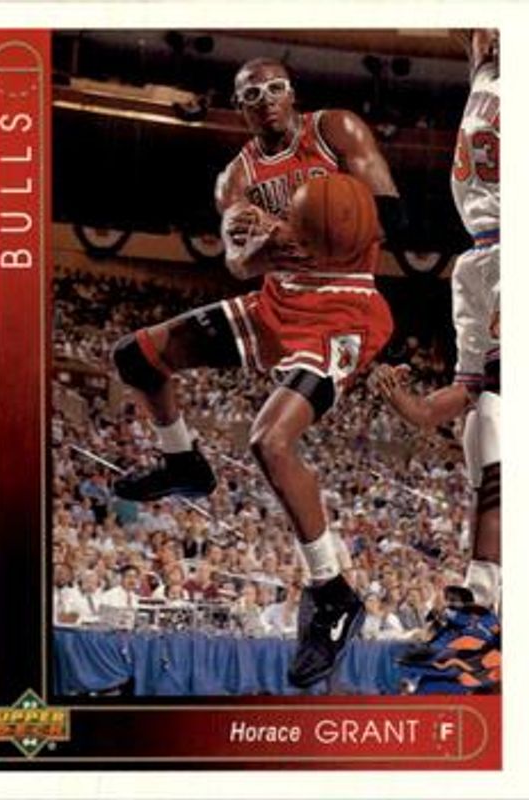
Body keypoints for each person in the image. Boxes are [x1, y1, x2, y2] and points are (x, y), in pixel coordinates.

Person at [111, 57, 405, 688]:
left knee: (269, 441)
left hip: (346, 307)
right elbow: (238, 263)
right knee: (136, 355)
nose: (266, 99)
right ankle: (183, 462)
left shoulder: (336, 130)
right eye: (252, 94)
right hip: (277, 302)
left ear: (292, 93)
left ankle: (332, 591)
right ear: (239, 107)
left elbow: (391, 212)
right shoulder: (236, 177)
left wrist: (318, 230)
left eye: (275, 88)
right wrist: (265, 247)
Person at [372, 30, 500, 612]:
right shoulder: (486, 69)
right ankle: (491, 592)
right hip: (482, 252)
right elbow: (460, 393)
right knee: (479, 422)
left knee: (496, 419)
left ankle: (484, 592)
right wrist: (411, 406)